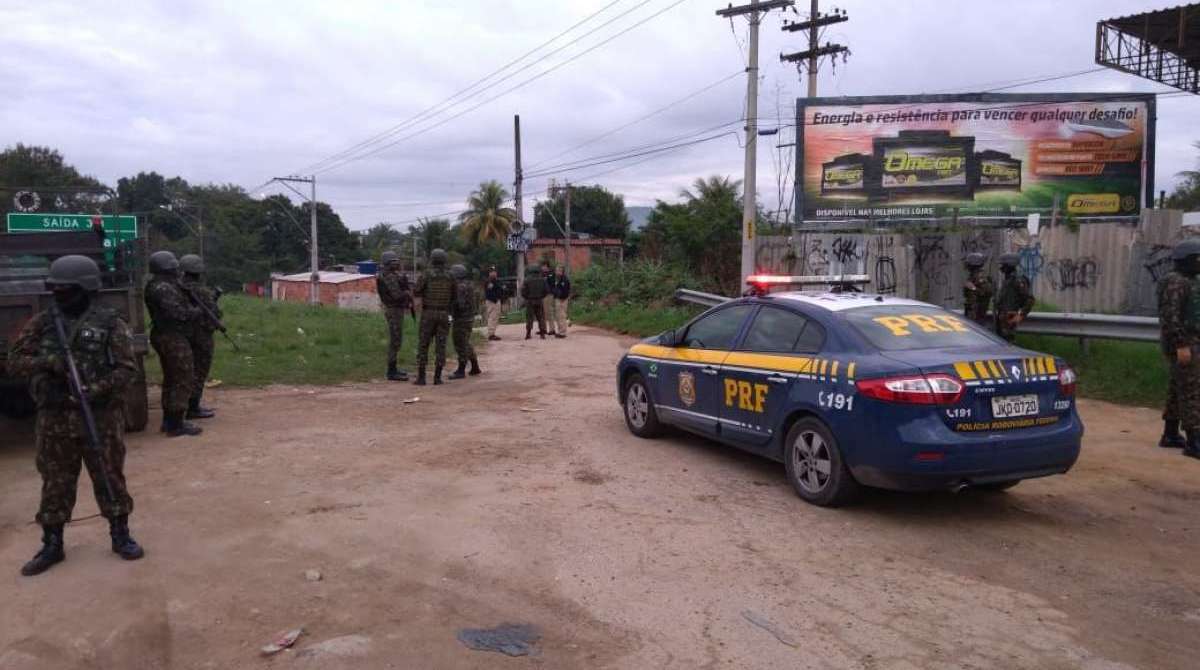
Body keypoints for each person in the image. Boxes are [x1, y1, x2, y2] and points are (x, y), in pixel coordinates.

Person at [8, 255, 144, 576]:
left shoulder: (111, 323)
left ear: (85, 289)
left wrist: (93, 389)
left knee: (109, 475)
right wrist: (49, 363)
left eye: (66, 290)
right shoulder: (42, 323)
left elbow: (126, 371)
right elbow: (14, 361)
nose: (60, 296)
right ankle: (52, 543)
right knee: (55, 480)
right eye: (56, 290)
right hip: (54, 417)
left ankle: (120, 534)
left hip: (99, 417)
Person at [144, 250, 202, 437]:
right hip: (171, 336)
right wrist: (196, 311)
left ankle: (170, 421)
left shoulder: (160, 285)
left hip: (166, 335)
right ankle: (175, 423)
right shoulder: (163, 288)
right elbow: (178, 313)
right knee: (182, 377)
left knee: (171, 378)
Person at [1157, 238, 1200, 458]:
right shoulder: (1176, 282)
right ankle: (1194, 441)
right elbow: (1170, 317)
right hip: (1184, 343)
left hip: (1189, 341)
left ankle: (1170, 434)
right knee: (1192, 390)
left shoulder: (1188, 280)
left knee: (1177, 387)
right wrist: (1181, 344)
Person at [179, 254, 219, 418]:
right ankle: (193, 407)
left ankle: (185, 405)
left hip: (184, 334)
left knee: (187, 370)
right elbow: (214, 313)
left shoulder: (177, 288)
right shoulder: (201, 291)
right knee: (200, 370)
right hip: (201, 335)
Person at [413, 248, 456, 385]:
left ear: (432, 259)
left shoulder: (427, 275)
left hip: (428, 314)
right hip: (444, 314)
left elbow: (417, 291)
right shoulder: (451, 276)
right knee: (441, 345)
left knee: (423, 344)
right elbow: (455, 296)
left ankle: (421, 377)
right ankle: (437, 378)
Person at [376, 250, 413, 382]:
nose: (397, 264)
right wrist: (407, 293)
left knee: (397, 340)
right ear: (387, 263)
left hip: (395, 309)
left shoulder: (391, 275)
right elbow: (397, 295)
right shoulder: (388, 276)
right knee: (395, 341)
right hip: (393, 310)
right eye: (394, 262)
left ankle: (394, 368)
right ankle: (391, 371)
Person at [448, 264, 482, 379]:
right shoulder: (468, 285)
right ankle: (474, 366)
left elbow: (460, 304)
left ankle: (461, 370)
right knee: (466, 342)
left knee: (460, 343)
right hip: (468, 317)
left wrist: (450, 308)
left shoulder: (460, 287)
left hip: (461, 318)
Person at [993, 252, 1034, 342]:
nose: (1001, 268)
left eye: (1003, 265)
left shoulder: (1018, 280)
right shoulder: (1007, 280)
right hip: (1001, 319)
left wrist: (1021, 315)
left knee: (1008, 345)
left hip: (1009, 320)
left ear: (1009, 265)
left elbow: (1029, 299)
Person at [962, 253, 993, 326]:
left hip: (978, 315)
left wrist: (973, 288)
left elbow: (987, 293)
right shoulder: (972, 277)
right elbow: (967, 294)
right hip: (971, 312)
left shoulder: (981, 277)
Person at [521, 267, 548, 340]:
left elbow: (523, 292)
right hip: (539, 300)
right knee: (541, 317)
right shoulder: (542, 280)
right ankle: (542, 334)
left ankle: (528, 333)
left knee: (529, 318)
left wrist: (527, 297)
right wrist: (541, 296)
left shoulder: (527, 280)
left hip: (530, 300)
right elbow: (546, 291)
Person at [483, 267, 506, 341]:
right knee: (492, 317)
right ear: (489, 273)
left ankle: (492, 333)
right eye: (492, 272)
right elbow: (489, 292)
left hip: (497, 301)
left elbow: (501, 289)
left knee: (496, 317)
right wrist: (495, 299)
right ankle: (491, 334)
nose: (494, 273)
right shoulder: (489, 281)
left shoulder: (497, 281)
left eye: (495, 271)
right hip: (491, 301)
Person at [549, 264, 571, 338]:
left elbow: (566, 290)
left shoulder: (564, 279)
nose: (557, 272)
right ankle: (561, 331)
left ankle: (562, 332)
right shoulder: (555, 278)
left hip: (562, 299)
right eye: (556, 270)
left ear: (562, 271)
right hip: (557, 298)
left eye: (559, 270)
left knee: (561, 316)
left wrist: (562, 298)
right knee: (558, 316)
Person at [541, 261, 556, 336]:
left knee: (549, 312)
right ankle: (543, 329)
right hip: (542, 295)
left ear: (547, 267)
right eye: (542, 266)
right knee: (543, 313)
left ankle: (552, 329)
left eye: (544, 266)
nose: (542, 268)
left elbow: (552, 284)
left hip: (549, 295)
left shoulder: (551, 274)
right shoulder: (541, 274)